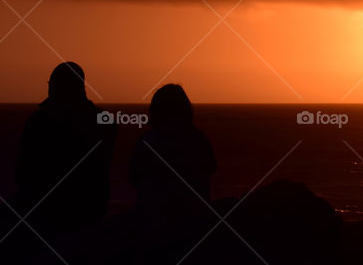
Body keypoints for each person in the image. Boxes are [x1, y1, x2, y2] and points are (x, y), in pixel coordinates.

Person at [12, 62, 117, 234]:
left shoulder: (40, 122)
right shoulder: (105, 122)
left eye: (51, 85)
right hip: (92, 206)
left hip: (52, 210)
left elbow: (23, 175)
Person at [129, 84, 217, 227]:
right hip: (194, 220)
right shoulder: (198, 139)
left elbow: (133, 178)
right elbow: (211, 167)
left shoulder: (147, 141)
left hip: (155, 221)